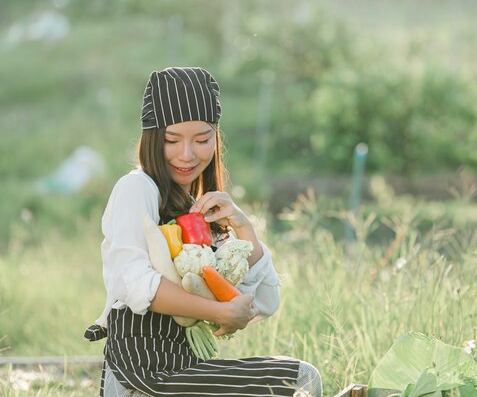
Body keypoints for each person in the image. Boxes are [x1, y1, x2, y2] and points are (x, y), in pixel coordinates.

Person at [84, 67, 323, 397]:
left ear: (215, 138)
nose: (187, 154)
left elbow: (264, 302)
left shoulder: (196, 208)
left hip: (183, 369)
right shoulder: (136, 187)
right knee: (298, 379)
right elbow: (135, 284)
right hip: (144, 376)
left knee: (297, 378)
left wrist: (243, 227)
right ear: (152, 139)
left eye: (202, 139)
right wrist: (219, 312)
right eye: (172, 140)